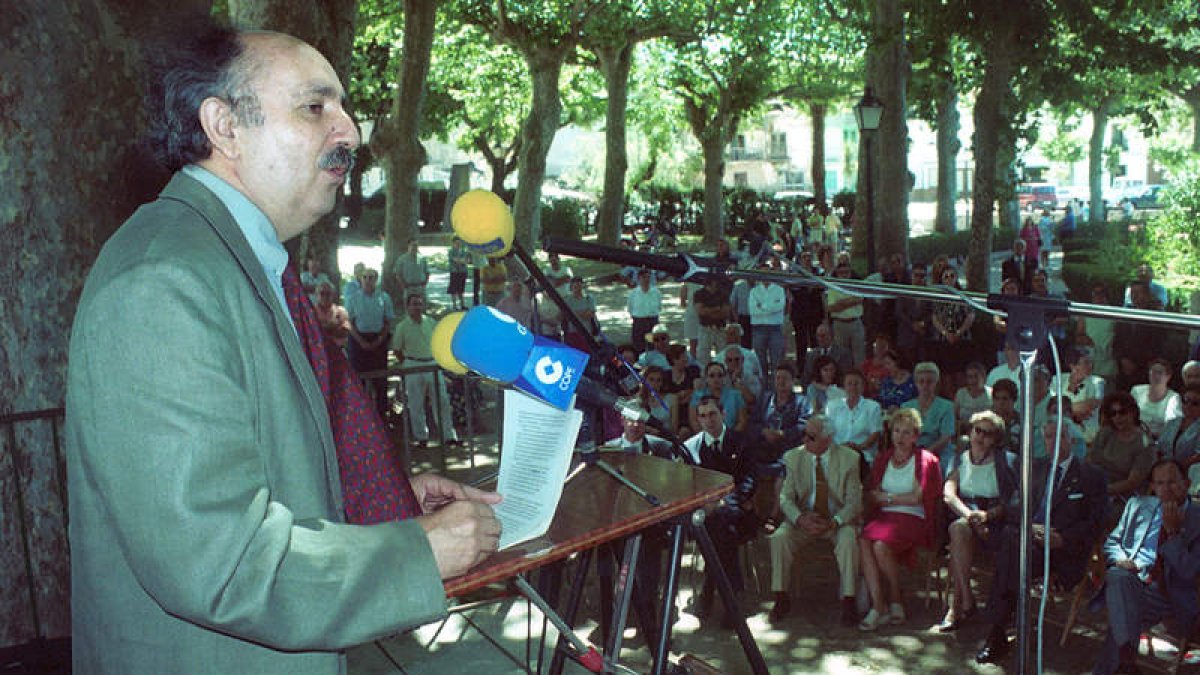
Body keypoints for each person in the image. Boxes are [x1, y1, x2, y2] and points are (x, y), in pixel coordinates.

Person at [64, 25, 501, 674]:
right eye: (314, 106)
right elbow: (222, 561)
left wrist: (380, 508)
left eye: (344, 108)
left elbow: (241, 484)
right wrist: (418, 554)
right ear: (224, 126)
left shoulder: (228, 261)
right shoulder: (163, 281)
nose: (350, 130)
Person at [975, 421, 1106, 664]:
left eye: (1058, 437)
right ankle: (999, 630)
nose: (1052, 442)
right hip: (1029, 540)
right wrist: (1029, 527)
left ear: (1072, 441)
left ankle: (997, 630)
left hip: (1062, 551)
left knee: (1011, 548)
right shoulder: (1036, 469)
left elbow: (1095, 524)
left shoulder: (1092, 476)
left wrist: (1062, 538)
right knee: (1014, 543)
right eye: (1047, 436)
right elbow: (1015, 506)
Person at [1092, 459, 1200, 675]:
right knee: (1119, 576)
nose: (1166, 489)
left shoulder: (1197, 518)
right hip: (1132, 581)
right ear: (1152, 486)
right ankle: (1126, 665)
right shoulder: (1138, 505)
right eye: (1159, 483)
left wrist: (1173, 535)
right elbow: (1112, 543)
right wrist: (1122, 559)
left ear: (1187, 484)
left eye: (1172, 482)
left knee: (1121, 615)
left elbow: (1191, 572)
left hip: (1172, 594)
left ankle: (1120, 665)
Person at [768, 415, 863, 626]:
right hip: (804, 518)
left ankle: (849, 600)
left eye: (811, 437)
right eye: (804, 434)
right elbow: (785, 497)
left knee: (848, 539)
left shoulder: (849, 459)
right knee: (779, 538)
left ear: (827, 439)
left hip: (835, 520)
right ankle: (781, 597)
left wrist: (835, 521)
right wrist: (800, 518)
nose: (804, 440)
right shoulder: (793, 457)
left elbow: (854, 502)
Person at [857, 407, 943, 631]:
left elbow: (917, 498)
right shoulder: (883, 459)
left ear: (916, 435)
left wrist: (887, 498)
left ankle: (895, 598)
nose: (901, 437)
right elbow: (872, 495)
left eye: (907, 432)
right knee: (865, 540)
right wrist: (890, 500)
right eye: (897, 431)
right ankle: (879, 606)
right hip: (886, 518)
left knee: (880, 545)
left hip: (914, 518)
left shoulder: (924, 460)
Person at [938, 411, 1017, 632]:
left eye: (988, 433)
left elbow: (1014, 500)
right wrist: (971, 518)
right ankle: (966, 601)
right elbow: (949, 495)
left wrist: (988, 516)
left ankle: (957, 606)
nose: (980, 437)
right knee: (958, 529)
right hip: (967, 516)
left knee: (958, 540)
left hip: (997, 521)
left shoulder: (1006, 461)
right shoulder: (958, 458)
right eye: (977, 430)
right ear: (970, 431)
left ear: (996, 439)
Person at [683, 397, 759, 624]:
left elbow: (750, 479)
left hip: (738, 512)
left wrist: (730, 500)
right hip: (703, 516)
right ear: (698, 419)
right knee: (720, 528)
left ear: (723, 414)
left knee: (724, 524)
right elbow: (688, 485)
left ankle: (710, 587)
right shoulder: (690, 448)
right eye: (703, 416)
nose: (709, 420)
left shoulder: (741, 441)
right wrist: (706, 504)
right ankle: (731, 596)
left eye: (713, 414)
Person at [392, 294, 459, 449]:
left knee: (441, 401)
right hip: (413, 365)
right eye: (414, 304)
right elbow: (397, 350)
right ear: (408, 307)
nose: (417, 307)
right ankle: (421, 438)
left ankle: (448, 436)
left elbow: (439, 343)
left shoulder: (431, 322)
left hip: (432, 364)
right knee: (416, 403)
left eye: (420, 304)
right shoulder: (402, 326)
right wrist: (409, 363)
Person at [1090, 392, 1154, 511]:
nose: (1117, 417)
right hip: (1097, 489)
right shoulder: (1106, 432)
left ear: (1133, 412)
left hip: (1126, 498)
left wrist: (1101, 490)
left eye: (1122, 412)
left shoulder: (1144, 443)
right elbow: (1090, 461)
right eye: (1113, 413)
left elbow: (1132, 482)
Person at [345, 266, 395, 415]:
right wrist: (361, 341)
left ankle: (382, 415)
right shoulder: (353, 299)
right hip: (358, 341)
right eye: (365, 277)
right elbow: (349, 323)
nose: (368, 280)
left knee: (380, 381)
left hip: (378, 341)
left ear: (376, 280)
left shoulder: (384, 298)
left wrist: (380, 339)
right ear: (360, 279)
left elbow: (388, 321)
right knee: (359, 380)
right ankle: (360, 415)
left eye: (371, 277)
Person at [753, 363, 812, 461]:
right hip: (763, 448)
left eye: (785, 378)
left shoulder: (803, 402)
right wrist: (763, 431)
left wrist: (783, 434)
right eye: (778, 378)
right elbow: (753, 423)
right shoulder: (764, 399)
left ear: (793, 381)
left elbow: (804, 425)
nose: (781, 381)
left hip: (790, 450)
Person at [902, 362, 956, 468]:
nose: (925, 385)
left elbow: (946, 437)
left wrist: (926, 453)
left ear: (936, 383)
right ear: (916, 383)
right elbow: (903, 435)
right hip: (912, 451)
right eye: (921, 381)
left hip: (940, 452)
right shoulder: (906, 406)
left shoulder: (947, 406)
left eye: (929, 382)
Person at [826, 368, 883, 463]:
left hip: (863, 456)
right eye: (849, 384)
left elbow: (875, 434)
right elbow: (827, 432)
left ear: (863, 387)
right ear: (844, 387)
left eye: (856, 383)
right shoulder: (833, 406)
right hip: (836, 454)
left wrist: (857, 448)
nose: (853, 387)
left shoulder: (873, 407)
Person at [1131, 358, 1183, 440]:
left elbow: (1171, 424)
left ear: (1168, 376)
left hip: (1158, 440)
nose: (1155, 375)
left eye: (1159, 373)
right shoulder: (1136, 390)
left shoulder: (1174, 397)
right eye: (1153, 371)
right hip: (1134, 436)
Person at [689, 362, 748, 433]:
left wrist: (730, 437)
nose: (716, 379)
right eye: (712, 375)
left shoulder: (736, 395)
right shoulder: (697, 396)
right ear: (706, 378)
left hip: (731, 437)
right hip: (705, 438)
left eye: (720, 375)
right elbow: (694, 421)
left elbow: (742, 421)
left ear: (725, 377)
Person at [826, 262, 866, 365]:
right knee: (842, 357)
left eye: (846, 272)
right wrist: (851, 301)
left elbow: (860, 299)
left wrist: (841, 303)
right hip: (840, 325)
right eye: (841, 272)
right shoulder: (833, 287)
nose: (844, 275)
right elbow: (831, 308)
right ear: (837, 273)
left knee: (859, 357)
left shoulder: (856, 285)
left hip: (855, 323)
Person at [749, 275, 787, 377]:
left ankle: (776, 389)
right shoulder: (754, 291)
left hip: (775, 328)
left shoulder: (779, 290)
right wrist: (771, 306)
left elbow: (780, 306)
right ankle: (763, 387)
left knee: (777, 361)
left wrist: (762, 306)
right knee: (760, 361)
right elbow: (752, 310)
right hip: (758, 327)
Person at [693, 275, 731, 364]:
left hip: (720, 328)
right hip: (705, 328)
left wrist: (708, 311)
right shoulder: (699, 294)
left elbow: (726, 312)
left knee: (722, 356)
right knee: (703, 356)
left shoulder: (723, 293)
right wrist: (716, 309)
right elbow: (700, 311)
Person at [801, 322, 853, 386]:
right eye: (818, 336)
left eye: (823, 336)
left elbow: (845, 377)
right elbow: (806, 378)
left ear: (831, 336)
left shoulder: (844, 354)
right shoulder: (811, 355)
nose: (820, 339)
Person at [627, 268, 662, 354]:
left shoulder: (656, 292)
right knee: (638, 347)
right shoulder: (633, 293)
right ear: (639, 279)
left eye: (648, 277)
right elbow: (630, 308)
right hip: (639, 322)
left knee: (653, 346)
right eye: (644, 277)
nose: (646, 280)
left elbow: (659, 306)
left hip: (652, 321)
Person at [953, 361, 993, 436]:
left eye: (976, 376)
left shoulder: (991, 393)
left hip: (986, 433)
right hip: (963, 432)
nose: (973, 380)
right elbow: (954, 417)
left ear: (983, 377)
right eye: (970, 377)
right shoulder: (961, 393)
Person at [313, 281, 350, 347]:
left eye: (328, 293)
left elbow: (344, 333)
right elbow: (312, 332)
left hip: (338, 349)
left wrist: (323, 328)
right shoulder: (311, 312)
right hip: (318, 350)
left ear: (333, 295)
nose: (325, 296)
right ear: (316, 295)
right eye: (322, 293)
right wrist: (334, 326)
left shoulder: (341, 311)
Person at [446, 236, 470, 310]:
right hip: (454, 272)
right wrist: (461, 261)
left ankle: (462, 304)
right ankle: (454, 305)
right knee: (453, 289)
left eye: (459, 243)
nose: (458, 244)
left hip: (462, 272)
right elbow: (454, 259)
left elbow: (467, 260)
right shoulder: (451, 251)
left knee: (461, 289)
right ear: (453, 243)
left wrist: (460, 261)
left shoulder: (464, 251)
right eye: (456, 243)